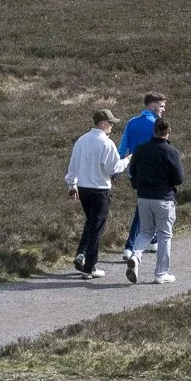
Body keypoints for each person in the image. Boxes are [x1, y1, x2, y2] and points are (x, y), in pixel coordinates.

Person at [65, 109, 127, 279]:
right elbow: (113, 168)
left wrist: (72, 185)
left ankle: (82, 254)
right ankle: (89, 268)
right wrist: (127, 161)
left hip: (83, 189)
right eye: (110, 123)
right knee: (96, 229)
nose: (112, 126)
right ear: (102, 123)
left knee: (91, 223)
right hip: (100, 190)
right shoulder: (107, 143)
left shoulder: (81, 140)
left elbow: (73, 164)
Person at [126, 117, 183, 284]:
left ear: (154, 131)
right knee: (165, 235)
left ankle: (135, 256)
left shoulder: (140, 149)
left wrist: (138, 185)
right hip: (164, 198)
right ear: (168, 132)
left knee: (145, 231)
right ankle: (161, 273)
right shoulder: (171, 152)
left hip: (143, 197)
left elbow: (132, 171)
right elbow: (179, 178)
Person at [116, 93, 165, 268]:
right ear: (152, 106)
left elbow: (122, 147)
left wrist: (117, 171)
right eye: (161, 106)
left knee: (145, 205)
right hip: (153, 173)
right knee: (146, 208)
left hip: (134, 172)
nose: (163, 109)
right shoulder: (157, 125)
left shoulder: (131, 122)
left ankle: (152, 241)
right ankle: (130, 247)